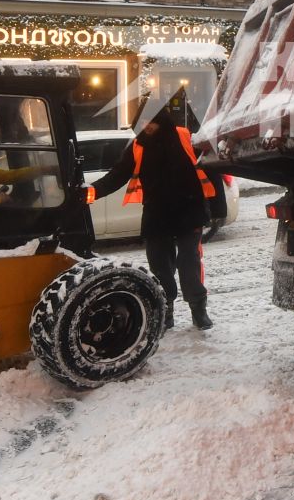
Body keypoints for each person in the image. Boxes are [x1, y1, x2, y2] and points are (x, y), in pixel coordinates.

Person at [88, 94, 217, 328]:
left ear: (163, 121)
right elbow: (118, 174)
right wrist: (94, 191)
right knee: (159, 266)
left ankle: (198, 309)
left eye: (152, 121)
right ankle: (165, 308)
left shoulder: (185, 137)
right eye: (143, 122)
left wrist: (217, 208)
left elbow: (211, 167)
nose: (147, 126)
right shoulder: (138, 146)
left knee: (189, 263)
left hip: (189, 211)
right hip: (157, 214)